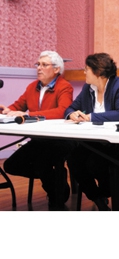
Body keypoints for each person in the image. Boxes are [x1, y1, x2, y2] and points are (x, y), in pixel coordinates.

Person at [64, 53, 119, 211]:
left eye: (87, 69)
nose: (84, 72)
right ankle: (98, 199)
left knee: (95, 163)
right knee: (73, 159)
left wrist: (90, 117)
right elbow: (71, 107)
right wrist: (72, 114)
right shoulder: (88, 88)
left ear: (98, 72)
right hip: (95, 142)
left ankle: (109, 195)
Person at [2, 51, 74, 210]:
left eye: (44, 65)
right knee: (11, 165)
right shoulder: (32, 87)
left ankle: (56, 195)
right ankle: (57, 182)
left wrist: (28, 115)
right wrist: (6, 110)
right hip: (39, 140)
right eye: (38, 64)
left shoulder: (64, 87)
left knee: (42, 163)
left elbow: (62, 111)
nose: (39, 68)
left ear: (56, 69)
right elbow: (18, 106)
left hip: (60, 139)